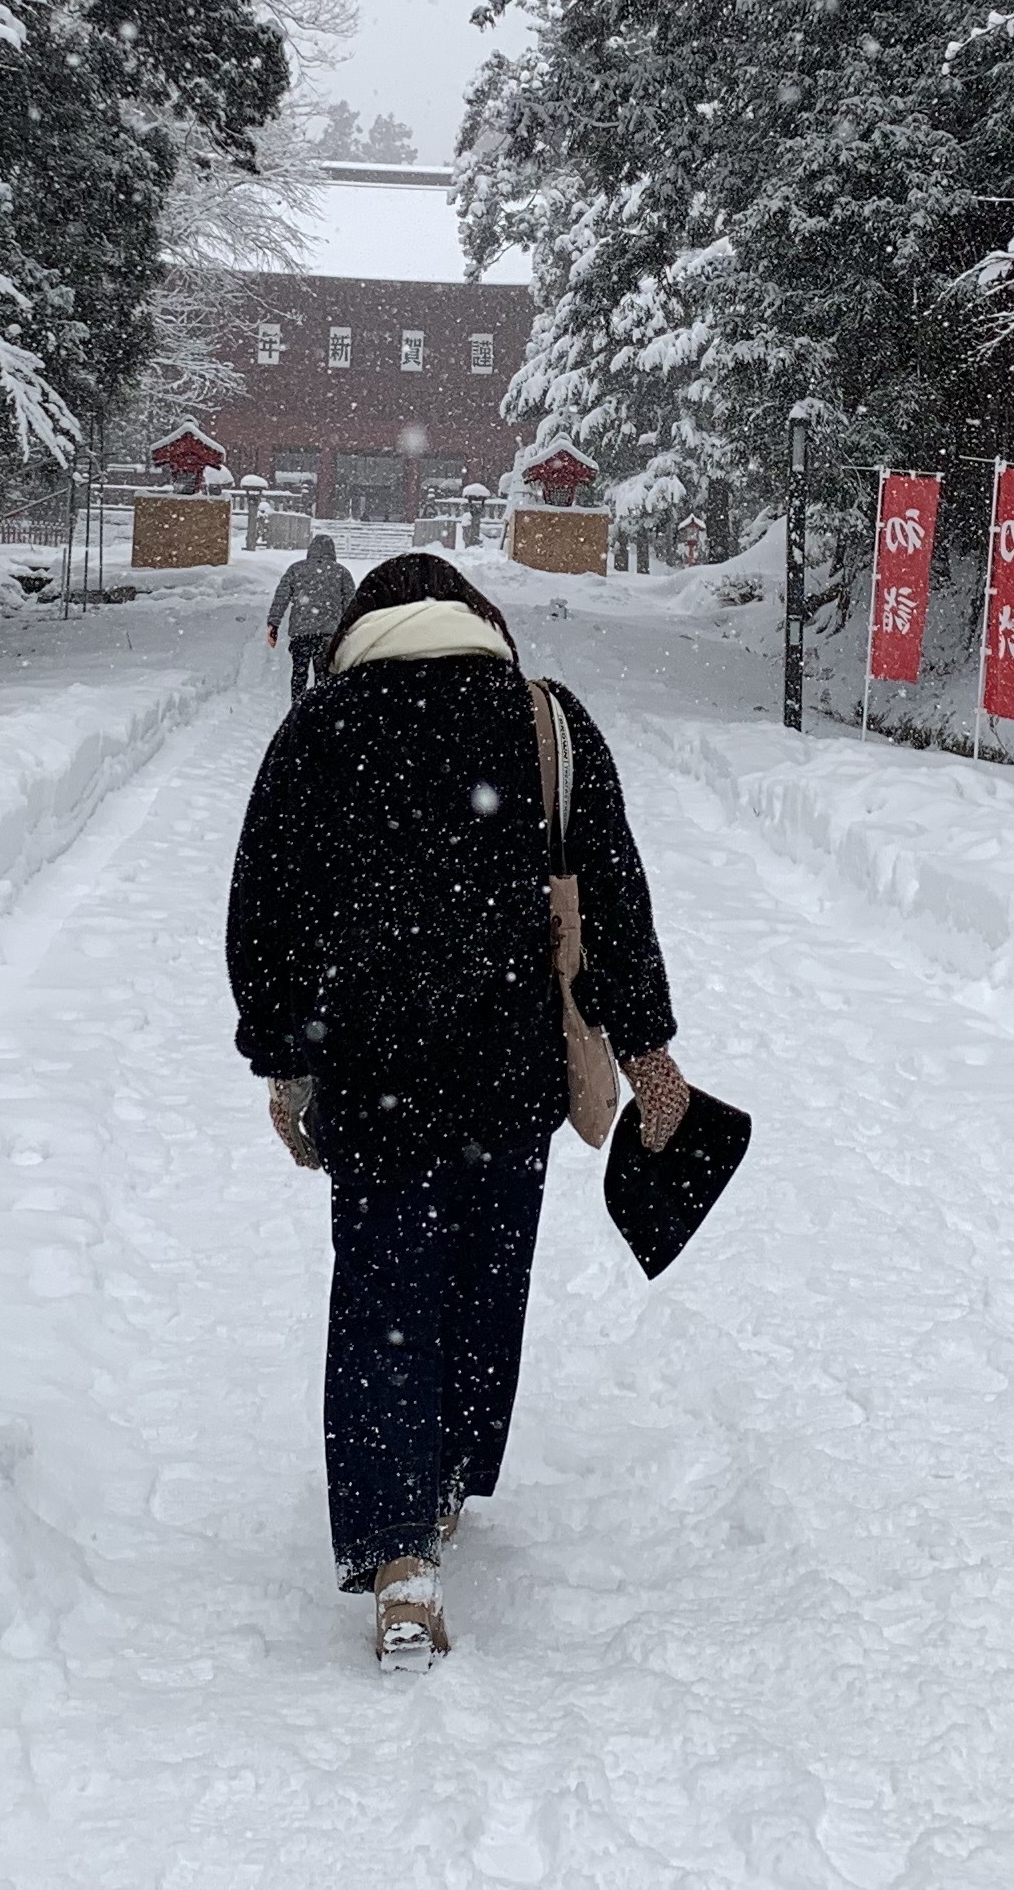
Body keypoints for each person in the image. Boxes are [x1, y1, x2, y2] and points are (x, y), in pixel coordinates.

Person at [225, 551, 692, 1669]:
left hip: (375, 1075)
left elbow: (266, 913)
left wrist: (287, 1065)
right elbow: (614, 887)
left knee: (385, 1288)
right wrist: (649, 1051)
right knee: (486, 1280)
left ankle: (397, 1559)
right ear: (479, 623)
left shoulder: (321, 730)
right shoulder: (545, 723)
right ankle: (441, 1481)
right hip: (509, 1067)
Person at [265, 530, 355, 702]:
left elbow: (280, 599)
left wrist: (273, 624)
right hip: (328, 634)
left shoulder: (296, 570)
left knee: (299, 674)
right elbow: (351, 606)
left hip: (301, 632)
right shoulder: (341, 573)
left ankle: (297, 708)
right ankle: (321, 713)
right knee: (324, 676)